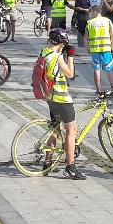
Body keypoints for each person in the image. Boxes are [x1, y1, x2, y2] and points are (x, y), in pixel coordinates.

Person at [41, 29, 86, 180]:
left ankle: (47, 163)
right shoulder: (57, 57)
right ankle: (70, 167)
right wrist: (70, 56)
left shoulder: (44, 52)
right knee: (71, 130)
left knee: (55, 129)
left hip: (50, 96)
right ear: (61, 43)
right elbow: (70, 74)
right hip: (62, 98)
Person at [84, 5, 113, 96]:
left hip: (95, 49)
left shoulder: (90, 22)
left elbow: (85, 37)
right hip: (106, 49)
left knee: (97, 69)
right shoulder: (108, 21)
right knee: (109, 69)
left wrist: (87, 48)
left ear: (95, 12)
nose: (90, 13)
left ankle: (98, 90)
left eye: (91, 11)